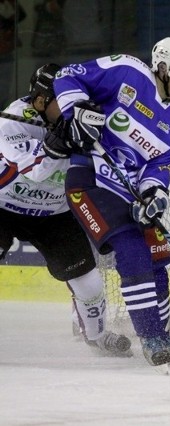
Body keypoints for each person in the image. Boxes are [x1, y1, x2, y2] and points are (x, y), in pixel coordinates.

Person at [42, 37, 170, 371]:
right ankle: (150, 337)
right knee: (131, 249)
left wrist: (154, 194)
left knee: (158, 257)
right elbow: (67, 76)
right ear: (163, 67)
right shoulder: (127, 71)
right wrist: (77, 114)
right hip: (90, 179)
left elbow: (160, 166)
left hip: (128, 192)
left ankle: (161, 334)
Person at [0, 63, 131, 356]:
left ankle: (96, 336)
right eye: (63, 98)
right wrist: (56, 144)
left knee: (90, 282)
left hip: (54, 214)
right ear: (40, 100)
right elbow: (31, 169)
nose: (72, 104)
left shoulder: (84, 118)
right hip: (3, 206)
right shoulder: (13, 121)